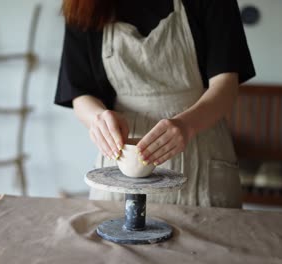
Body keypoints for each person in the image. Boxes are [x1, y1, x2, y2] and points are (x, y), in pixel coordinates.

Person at [55, 0, 255, 208]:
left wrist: (187, 125)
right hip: (122, 156)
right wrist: (98, 118)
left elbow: (226, 86)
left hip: (200, 143)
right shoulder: (84, 5)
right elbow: (80, 92)